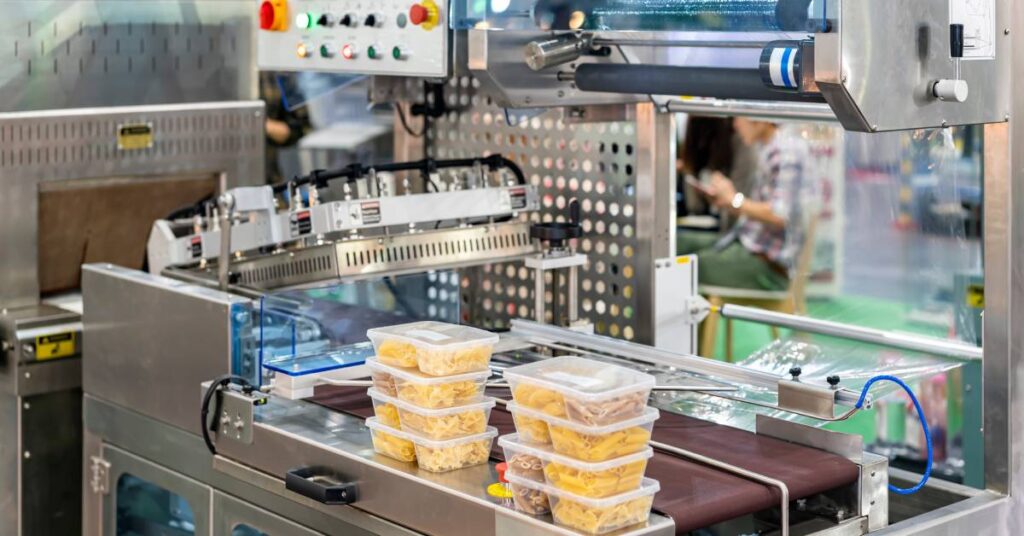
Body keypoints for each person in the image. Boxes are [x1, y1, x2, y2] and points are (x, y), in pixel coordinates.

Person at [677, 117, 816, 291]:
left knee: (680, 269)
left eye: (739, 117)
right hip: (748, 245)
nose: (735, 124)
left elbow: (780, 215)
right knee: (676, 244)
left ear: (760, 118)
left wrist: (733, 200)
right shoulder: (770, 148)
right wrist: (727, 200)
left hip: (768, 267)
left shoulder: (785, 151)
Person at [677, 116, 758, 232]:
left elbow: (777, 214)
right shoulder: (700, 138)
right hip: (722, 223)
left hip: (738, 231)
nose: (736, 124)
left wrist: (731, 199)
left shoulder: (744, 144)